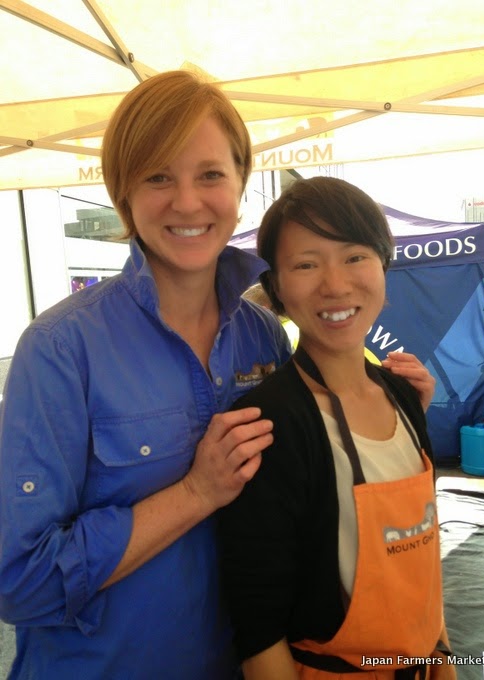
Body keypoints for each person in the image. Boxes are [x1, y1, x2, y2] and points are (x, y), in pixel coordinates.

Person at [0, 70, 293, 680]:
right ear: (122, 193)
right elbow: (21, 581)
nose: (186, 202)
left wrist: (387, 402)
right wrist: (195, 493)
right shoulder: (60, 349)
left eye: (210, 174)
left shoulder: (262, 336)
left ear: (240, 181)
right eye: (158, 176)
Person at [218, 176, 453, 680]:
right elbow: (258, 628)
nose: (336, 284)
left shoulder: (405, 396)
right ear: (277, 289)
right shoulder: (273, 422)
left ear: (383, 266)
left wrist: (443, 656)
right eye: (306, 264)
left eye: (354, 256)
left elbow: (425, 551)